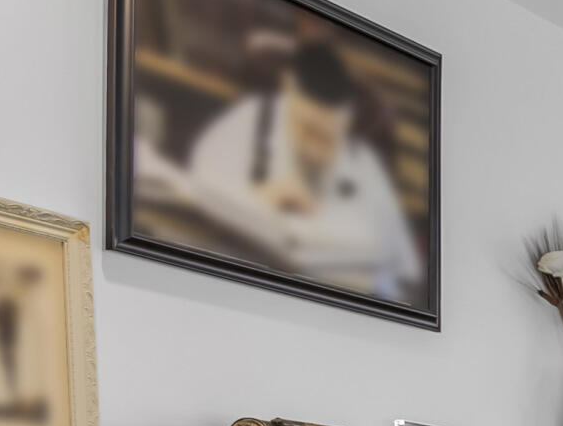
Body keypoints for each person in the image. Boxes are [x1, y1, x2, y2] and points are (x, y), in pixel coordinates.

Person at [162, 37, 426, 306]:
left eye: (328, 139)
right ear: (288, 87)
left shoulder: (361, 160)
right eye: (308, 130)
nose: (315, 151)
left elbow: (402, 271)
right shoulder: (253, 120)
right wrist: (261, 198)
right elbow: (201, 184)